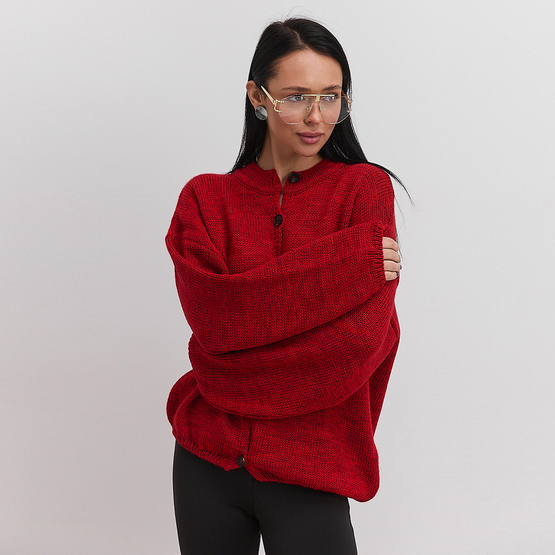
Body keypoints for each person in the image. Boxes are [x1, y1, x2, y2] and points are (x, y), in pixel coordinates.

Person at [166, 17, 403, 555]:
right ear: (258, 96)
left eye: (331, 96)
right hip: (205, 459)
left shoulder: (364, 190)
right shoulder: (204, 200)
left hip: (312, 466)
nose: (316, 116)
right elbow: (216, 321)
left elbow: (356, 348)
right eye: (296, 97)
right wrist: (348, 264)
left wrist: (234, 357)